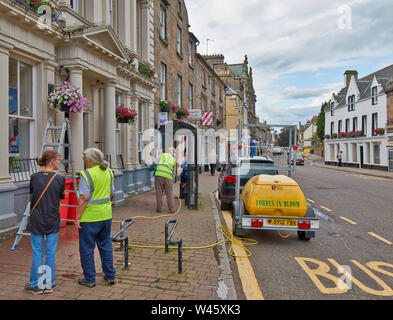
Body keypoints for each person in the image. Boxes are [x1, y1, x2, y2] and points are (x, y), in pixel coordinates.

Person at [25, 150, 65, 295]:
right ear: (52, 161)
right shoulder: (60, 179)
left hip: (36, 220)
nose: (59, 163)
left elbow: (31, 196)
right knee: (50, 252)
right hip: (52, 219)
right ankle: (49, 283)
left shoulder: (34, 177)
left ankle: (35, 284)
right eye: (58, 160)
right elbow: (61, 197)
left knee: (37, 252)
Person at [75, 148, 116, 288]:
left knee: (86, 249)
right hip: (106, 215)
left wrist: (77, 218)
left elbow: (84, 198)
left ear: (90, 160)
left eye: (84, 157)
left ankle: (90, 279)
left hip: (90, 217)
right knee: (105, 245)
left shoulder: (86, 175)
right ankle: (110, 275)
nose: (83, 160)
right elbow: (111, 193)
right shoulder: (109, 172)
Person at [154, 148, 176, 213]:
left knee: (159, 193)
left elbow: (155, 163)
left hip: (159, 176)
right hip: (168, 177)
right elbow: (173, 168)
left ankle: (159, 209)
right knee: (169, 193)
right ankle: (172, 209)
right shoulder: (173, 158)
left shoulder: (161, 155)